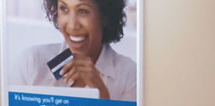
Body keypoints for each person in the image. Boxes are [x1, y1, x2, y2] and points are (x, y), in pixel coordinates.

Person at [9, 0, 137, 100]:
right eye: (64, 9)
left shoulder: (130, 75)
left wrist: (101, 92)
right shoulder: (30, 63)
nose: (72, 25)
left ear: (105, 17)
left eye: (83, 11)